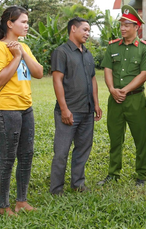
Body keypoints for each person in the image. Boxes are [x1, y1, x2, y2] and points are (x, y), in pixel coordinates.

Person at [0, 6, 43, 216]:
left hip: (25, 108)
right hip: (5, 109)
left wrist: (22, 53)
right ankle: (4, 207)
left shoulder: (24, 46)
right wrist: (16, 56)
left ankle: (21, 201)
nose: (27, 25)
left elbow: (39, 73)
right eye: (23, 22)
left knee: (26, 156)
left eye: (28, 22)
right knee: (7, 158)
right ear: (10, 23)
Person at [98, 4, 146, 186]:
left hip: (135, 99)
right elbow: (107, 69)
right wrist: (112, 90)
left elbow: (144, 74)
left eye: (127, 24)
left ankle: (142, 174)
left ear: (136, 27)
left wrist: (125, 90)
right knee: (115, 137)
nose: (122, 28)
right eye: (121, 24)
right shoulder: (113, 46)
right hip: (114, 99)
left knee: (140, 138)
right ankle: (113, 173)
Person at [49, 17, 102, 195]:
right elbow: (57, 80)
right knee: (61, 152)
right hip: (69, 110)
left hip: (87, 110)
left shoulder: (87, 53)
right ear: (73, 29)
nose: (88, 33)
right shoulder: (61, 52)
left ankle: (77, 183)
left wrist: (96, 103)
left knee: (83, 149)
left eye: (89, 30)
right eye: (85, 30)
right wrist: (64, 109)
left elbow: (93, 78)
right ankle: (56, 189)